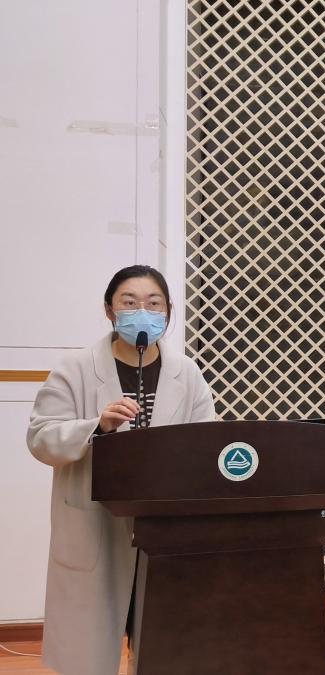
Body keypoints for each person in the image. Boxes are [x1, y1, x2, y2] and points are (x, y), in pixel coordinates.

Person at [27, 265, 216, 675]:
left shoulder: (188, 374)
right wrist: (96, 427)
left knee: (163, 647)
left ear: (169, 311)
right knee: (89, 653)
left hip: (164, 529)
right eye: (129, 303)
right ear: (110, 310)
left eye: (154, 303)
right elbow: (40, 439)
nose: (142, 312)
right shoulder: (75, 369)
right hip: (95, 524)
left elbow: (207, 443)